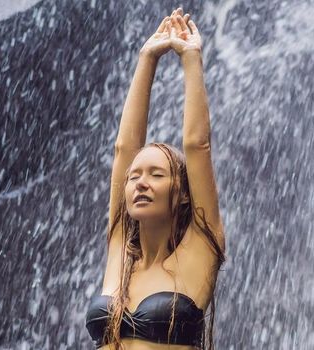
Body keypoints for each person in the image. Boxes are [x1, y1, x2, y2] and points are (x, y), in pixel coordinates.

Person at [84, 7, 227, 350]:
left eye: (156, 174)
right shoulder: (120, 250)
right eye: (135, 177)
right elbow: (124, 150)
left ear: (181, 193)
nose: (140, 183)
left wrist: (191, 58)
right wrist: (146, 58)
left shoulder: (202, 246)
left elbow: (197, 145)